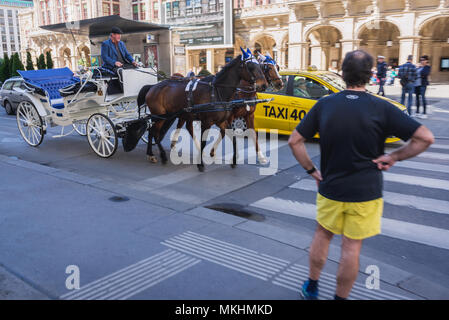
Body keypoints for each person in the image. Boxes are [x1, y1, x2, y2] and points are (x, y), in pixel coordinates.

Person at [288, 50, 434, 300]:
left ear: (343, 74)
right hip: (366, 192)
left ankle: (312, 287)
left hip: (331, 187)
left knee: (322, 235)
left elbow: (295, 141)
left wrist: (312, 171)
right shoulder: (382, 107)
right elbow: (425, 138)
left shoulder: (324, 104)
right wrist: (394, 157)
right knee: (351, 246)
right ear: (371, 76)